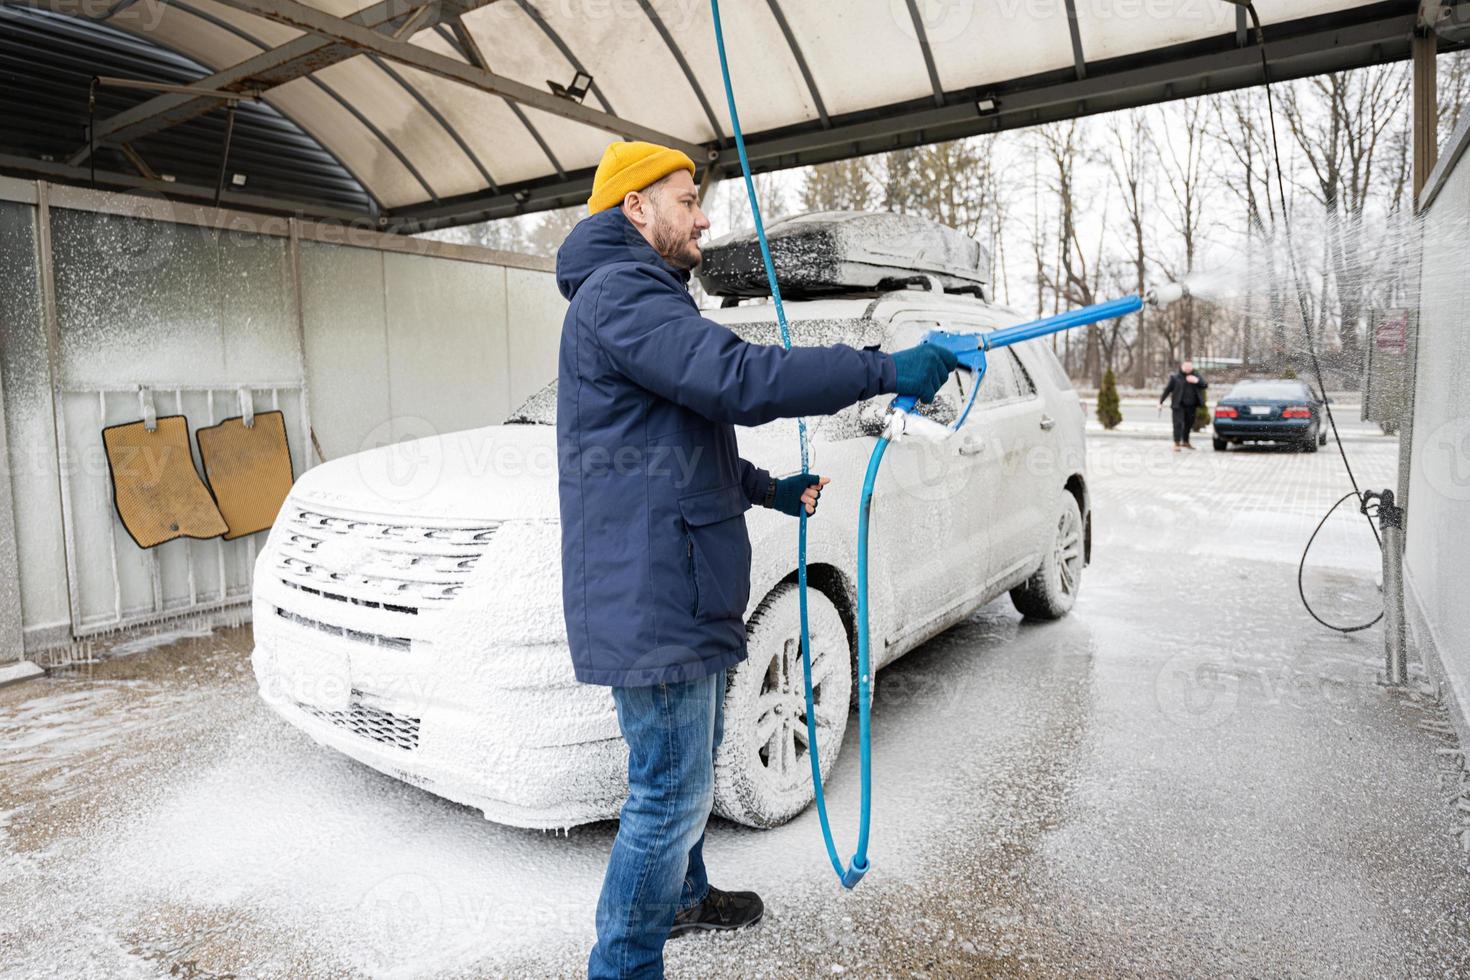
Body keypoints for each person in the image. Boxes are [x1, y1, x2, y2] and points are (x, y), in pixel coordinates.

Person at [555, 140, 958, 980]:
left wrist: (766, 489)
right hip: (653, 587)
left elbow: (672, 439)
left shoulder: (639, 295)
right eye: (685, 198)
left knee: (681, 774)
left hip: (675, 576)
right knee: (668, 793)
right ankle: (621, 967)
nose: (703, 216)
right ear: (635, 208)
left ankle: (682, 898)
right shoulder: (622, 294)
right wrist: (885, 368)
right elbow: (737, 377)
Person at [1158, 359, 1208, 451]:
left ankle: (1185, 441)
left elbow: (1205, 385)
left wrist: (1196, 381)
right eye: (1186, 367)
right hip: (1178, 405)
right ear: (1182, 367)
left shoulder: (1196, 376)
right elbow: (1167, 390)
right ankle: (1177, 443)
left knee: (1189, 424)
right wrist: (1161, 402)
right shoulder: (1175, 378)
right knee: (1178, 424)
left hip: (1192, 405)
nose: (1188, 369)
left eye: (1190, 367)